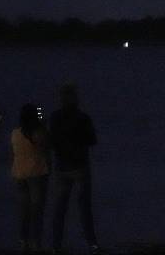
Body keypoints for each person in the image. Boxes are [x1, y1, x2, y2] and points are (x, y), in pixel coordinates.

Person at [48, 83, 99, 254]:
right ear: (75, 98)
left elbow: (51, 142)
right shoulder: (83, 117)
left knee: (60, 208)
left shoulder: (55, 117)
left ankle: (56, 245)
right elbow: (92, 140)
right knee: (84, 207)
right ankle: (92, 244)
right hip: (80, 166)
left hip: (62, 167)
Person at [11, 104, 49, 252]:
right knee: (37, 211)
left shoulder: (15, 133)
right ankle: (36, 243)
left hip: (19, 173)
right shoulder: (38, 133)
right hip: (37, 173)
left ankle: (23, 241)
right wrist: (43, 125)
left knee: (24, 210)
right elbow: (47, 147)